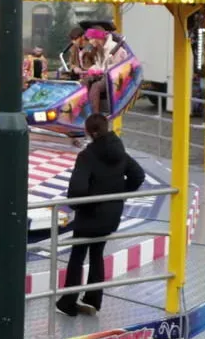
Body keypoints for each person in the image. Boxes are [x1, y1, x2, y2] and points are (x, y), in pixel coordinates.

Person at [56, 114, 147, 315]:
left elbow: (77, 191)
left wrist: (80, 206)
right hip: (110, 216)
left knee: (77, 256)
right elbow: (138, 175)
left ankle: (68, 302)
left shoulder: (87, 156)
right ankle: (93, 300)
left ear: (90, 132)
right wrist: (118, 194)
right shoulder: (120, 151)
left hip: (89, 216)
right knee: (97, 254)